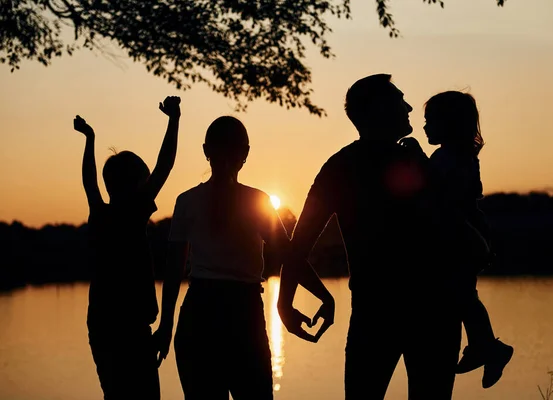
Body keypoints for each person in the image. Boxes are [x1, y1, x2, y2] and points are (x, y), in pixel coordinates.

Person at [277, 74, 464, 400]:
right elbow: (455, 228)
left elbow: (297, 246)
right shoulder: (414, 163)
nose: (408, 107)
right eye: (399, 101)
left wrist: (285, 301)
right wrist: (284, 301)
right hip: (420, 314)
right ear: (376, 110)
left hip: (388, 314)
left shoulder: (340, 166)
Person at [153, 116, 333, 399]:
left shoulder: (186, 201)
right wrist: (325, 295)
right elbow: (290, 255)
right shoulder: (257, 201)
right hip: (242, 315)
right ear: (245, 153)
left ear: (205, 150)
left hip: (198, 316)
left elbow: (173, 270)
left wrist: (166, 326)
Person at [74, 96, 181, 400]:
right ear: (137, 185)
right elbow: (166, 165)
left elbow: (89, 182)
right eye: (146, 181)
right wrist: (174, 120)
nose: (151, 185)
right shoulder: (132, 213)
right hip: (131, 331)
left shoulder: (100, 214)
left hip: (100, 327)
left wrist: (90, 139)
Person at [422, 90, 514, 388]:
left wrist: (414, 158)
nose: (424, 127)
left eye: (430, 121)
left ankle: (488, 346)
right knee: (464, 295)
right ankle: (483, 345)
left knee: (461, 294)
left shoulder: (453, 157)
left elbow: (437, 192)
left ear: (448, 124)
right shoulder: (453, 155)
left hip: (460, 236)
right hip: (463, 235)